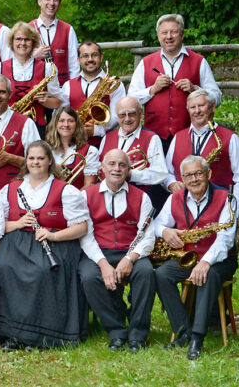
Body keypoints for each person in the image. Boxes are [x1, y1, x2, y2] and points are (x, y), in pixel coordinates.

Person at [0, 141, 89, 350]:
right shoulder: (10, 189)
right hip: (16, 243)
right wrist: (17, 223)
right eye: (31, 158)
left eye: (40, 158)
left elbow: (82, 228)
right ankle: (12, 334)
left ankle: (41, 336)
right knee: (4, 266)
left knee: (42, 271)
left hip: (54, 243)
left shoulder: (66, 190)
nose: (35, 162)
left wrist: (54, 236)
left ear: (50, 161)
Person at [155, 155, 239, 360]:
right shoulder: (175, 197)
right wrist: (165, 232)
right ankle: (184, 330)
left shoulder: (226, 198)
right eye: (188, 175)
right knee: (161, 274)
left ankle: (198, 338)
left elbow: (225, 239)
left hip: (219, 259)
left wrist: (206, 262)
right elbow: (157, 224)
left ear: (208, 174)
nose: (194, 179)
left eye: (198, 173)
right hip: (188, 257)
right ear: (182, 179)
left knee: (208, 276)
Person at [78, 149, 157, 352]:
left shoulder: (142, 198)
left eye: (122, 165)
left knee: (146, 272)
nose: (116, 168)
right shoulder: (85, 195)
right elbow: (85, 235)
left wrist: (130, 259)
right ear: (102, 168)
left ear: (129, 170)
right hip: (99, 252)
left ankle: (137, 334)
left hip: (130, 251)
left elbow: (148, 236)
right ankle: (116, 330)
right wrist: (103, 264)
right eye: (111, 164)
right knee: (88, 276)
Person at [128, 14, 221, 142]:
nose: (169, 37)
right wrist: (152, 90)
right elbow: (130, 100)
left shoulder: (199, 61)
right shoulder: (145, 63)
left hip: (192, 134)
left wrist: (195, 89)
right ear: (158, 36)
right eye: (164, 33)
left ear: (182, 34)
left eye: (174, 32)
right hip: (154, 136)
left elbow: (217, 97)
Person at [164, 89, 239, 214]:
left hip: (220, 210)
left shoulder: (231, 138)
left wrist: (233, 211)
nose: (197, 111)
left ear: (212, 107)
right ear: (188, 110)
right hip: (184, 210)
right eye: (193, 107)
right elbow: (167, 172)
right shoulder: (178, 137)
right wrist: (171, 184)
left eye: (201, 106)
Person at [97, 96, 170, 210]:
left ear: (140, 113)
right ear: (117, 115)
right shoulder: (107, 137)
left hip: (136, 203)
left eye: (131, 114)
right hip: (106, 201)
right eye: (122, 115)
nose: (127, 119)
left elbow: (161, 173)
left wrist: (131, 175)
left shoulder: (151, 138)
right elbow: (99, 168)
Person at [0, 22, 62, 136]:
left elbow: (58, 102)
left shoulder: (47, 68)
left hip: (36, 128)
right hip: (6, 125)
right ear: (12, 42)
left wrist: (45, 101)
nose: (22, 43)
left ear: (33, 42)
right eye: (18, 39)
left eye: (27, 39)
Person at [59, 41, 125, 147]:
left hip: (104, 144)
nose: (90, 59)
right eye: (85, 56)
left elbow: (117, 115)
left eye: (94, 55)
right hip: (72, 143)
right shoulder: (67, 85)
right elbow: (59, 114)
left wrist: (97, 130)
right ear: (78, 60)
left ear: (101, 57)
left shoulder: (113, 84)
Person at [29, 0, 80, 85]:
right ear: (39, 1)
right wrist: (34, 56)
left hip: (62, 90)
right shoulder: (28, 29)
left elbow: (74, 66)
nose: (51, 3)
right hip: (35, 89)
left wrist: (72, 90)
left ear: (59, 3)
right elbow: (18, 63)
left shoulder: (68, 30)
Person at [46, 106, 100, 190]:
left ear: (77, 125)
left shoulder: (90, 152)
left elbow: (89, 186)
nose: (66, 124)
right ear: (55, 124)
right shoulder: (45, 149)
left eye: (70, 121)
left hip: (76, 200)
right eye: (61, 121)